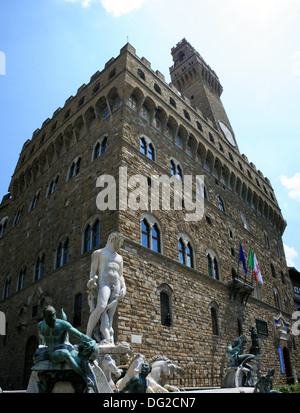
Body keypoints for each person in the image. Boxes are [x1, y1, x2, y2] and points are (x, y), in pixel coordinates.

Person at [37, 305, 98, 392]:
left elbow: (80, 335)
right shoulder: (40, 326)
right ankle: (85, 377)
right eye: (50, 316)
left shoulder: (62, 324)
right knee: (64, 353)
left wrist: (92, 341)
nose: (53, 318)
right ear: (45, 317)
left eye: (54, 315)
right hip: (53, 353)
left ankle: (90, 382)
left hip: (65, 347)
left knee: (81, 357)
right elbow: (42, 342)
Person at [86, 232, 126, 345]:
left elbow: (121, 275)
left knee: (111, 313)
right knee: (101, 306)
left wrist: (124, 287)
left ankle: (109, 337)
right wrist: (91, 280)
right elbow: (93, 271)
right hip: (104, 281)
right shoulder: (99, 253)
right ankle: (87, 335)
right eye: (118, 243)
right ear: (111, 240)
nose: (119, 246)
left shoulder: (119, 257)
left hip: (116, 282)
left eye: (120, 244)